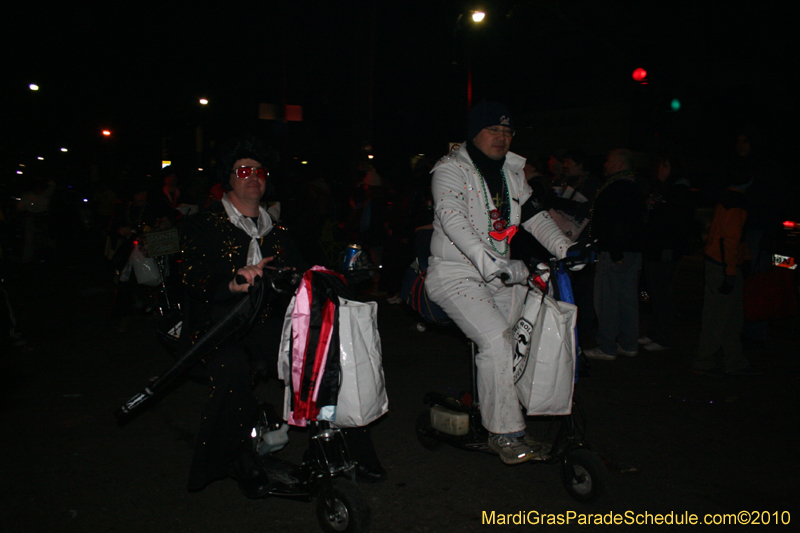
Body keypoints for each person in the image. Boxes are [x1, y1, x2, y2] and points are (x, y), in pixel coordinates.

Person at [181, 136, 384, 499]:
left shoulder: (278, 230)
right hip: (220, 325)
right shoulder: (206, 223)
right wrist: (235, 280)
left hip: (270, 323)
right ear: (229, 178)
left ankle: (347, 446)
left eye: (259, 171)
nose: (253, 177)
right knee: (232, 367)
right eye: (244, 170)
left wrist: (341, 276)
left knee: (331, 350)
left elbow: (306, 274)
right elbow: (192, 277)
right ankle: (238, 456)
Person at [424, 101, 591, 465]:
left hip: (502, 274)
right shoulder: (450, 170)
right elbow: (454, 221)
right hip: (455, 273)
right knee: (497, 340)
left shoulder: (512, 173)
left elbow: (534, 217)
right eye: (493, 130)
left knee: (523, 340)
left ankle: (499, 408)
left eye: (507, 131)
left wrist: (567, 249)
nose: (501, 137)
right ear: (474, 133)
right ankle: (506, 434)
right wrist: (496, 263)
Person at [691, 162, 761, 376]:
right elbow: (729, 241)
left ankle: (732, 359)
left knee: (729, 316)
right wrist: (731, 272)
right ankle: (706, 360)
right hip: (723, 267)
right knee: (720, 317)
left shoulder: (728, 200)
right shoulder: (737, 204)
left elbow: (724, 239)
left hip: (721, 264)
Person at [583, 149, 647, 361]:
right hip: (632, 251)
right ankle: (629, 343)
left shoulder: (615, 188)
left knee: (607, 300)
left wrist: (614, 250)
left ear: (619, 164)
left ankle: (608, 346)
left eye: (609, 161)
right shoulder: (635, 186)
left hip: (613, 251)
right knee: (628, 298)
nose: (605, 165)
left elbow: (614, 223)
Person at [638, 155, 695, 352]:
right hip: (653, 248)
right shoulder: (660, 189)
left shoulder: (679, 192)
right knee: (654, 291)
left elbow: (674, 224)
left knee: (662, 292)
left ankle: (663, 336)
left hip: (665, 249)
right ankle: (654, 332)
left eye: (665, 166)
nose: (660, 169)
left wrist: (668, 247)